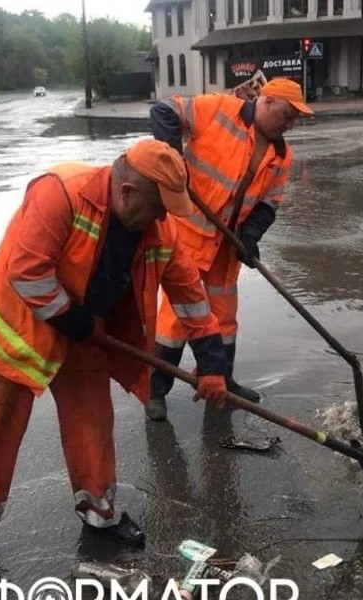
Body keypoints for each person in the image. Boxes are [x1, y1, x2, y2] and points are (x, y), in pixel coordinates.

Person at [0, 139, 231, 582]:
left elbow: (189, 294)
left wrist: (212, 364)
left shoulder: (157, 230)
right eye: (157, 206)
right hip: (14, 334)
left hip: (87, 335)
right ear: (126, 191)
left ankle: (101, 517)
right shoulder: (61, 192)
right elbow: (27, 272)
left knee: (93, 427)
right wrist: (74, 320)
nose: (163, 218)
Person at [145, 77, 311, 422]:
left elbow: (269, 204)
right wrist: (173, 159)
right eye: (287, 115)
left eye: (295, 118)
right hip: (188, 236)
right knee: (177, 319)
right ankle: (155, 391)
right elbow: (164, 111)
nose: (290, 124)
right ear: (265, 103)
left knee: (224, 317)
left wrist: (249, 238)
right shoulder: (220, 110)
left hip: (225, 244)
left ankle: (223, 381)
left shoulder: (282, 155)